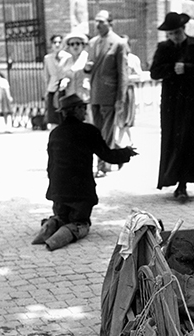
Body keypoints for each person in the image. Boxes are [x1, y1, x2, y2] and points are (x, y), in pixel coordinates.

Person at [32, 94, 137, 251]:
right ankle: (58, 238)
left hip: (57, 192)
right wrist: (127, 152)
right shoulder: (89, 131)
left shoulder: (55, 133)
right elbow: (107, 156)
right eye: (84, 108)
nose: (86, 112)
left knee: (62, 217)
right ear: (76, 110)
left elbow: (50, 166)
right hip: (80, 194)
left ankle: (51, 225)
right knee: (81, 224)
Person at [150, 12, 194, 200]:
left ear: (183, 30)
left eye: (176, 33)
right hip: (172, 101)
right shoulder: (163, 48)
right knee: (174, 138)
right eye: (170, 34)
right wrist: (172, 69)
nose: (174, 37)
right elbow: (155, 72)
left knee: (192, 138)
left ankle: (187, 181)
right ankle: (177, 181)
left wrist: (188, 68)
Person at [84, 10, 128, 177]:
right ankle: (119, 154)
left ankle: (103, 166)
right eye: (96, 21)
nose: (98, 25)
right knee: (97, 131)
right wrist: (87, 68)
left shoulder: (118, 43)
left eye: (101, 21)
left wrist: (120, 98)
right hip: (95, 92)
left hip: (110, 95)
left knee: (106, 131)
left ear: (110, 23)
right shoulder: (93, 42)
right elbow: (90, 66)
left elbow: (122, 73)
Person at [115, 35, 143, 147]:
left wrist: (126, 78)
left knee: (125, 116)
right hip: (117, 91)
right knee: (119, 117)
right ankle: (129, 140)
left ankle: (119, 141)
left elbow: (140, 76)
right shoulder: (114, 58)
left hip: (128, 91)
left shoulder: (133, 59)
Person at [43, 34, 70, 129]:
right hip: (52, 90)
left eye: (59, 42)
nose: (57, 44)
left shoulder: (68, 57)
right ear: (51, 44)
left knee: (64, 116)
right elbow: (46, 76)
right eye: (55, 42)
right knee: (53, 117)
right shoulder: (47, 58)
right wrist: (46, 91)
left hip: (64, 90)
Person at [58, 32, 90, 106]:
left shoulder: (87, 58)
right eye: (72, 44)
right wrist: (64, 80)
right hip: (70, 97)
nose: (75, 46)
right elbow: (64, 75)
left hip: (85, 97)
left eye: (78, 43)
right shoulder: (66, 60)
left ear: (83, 45)